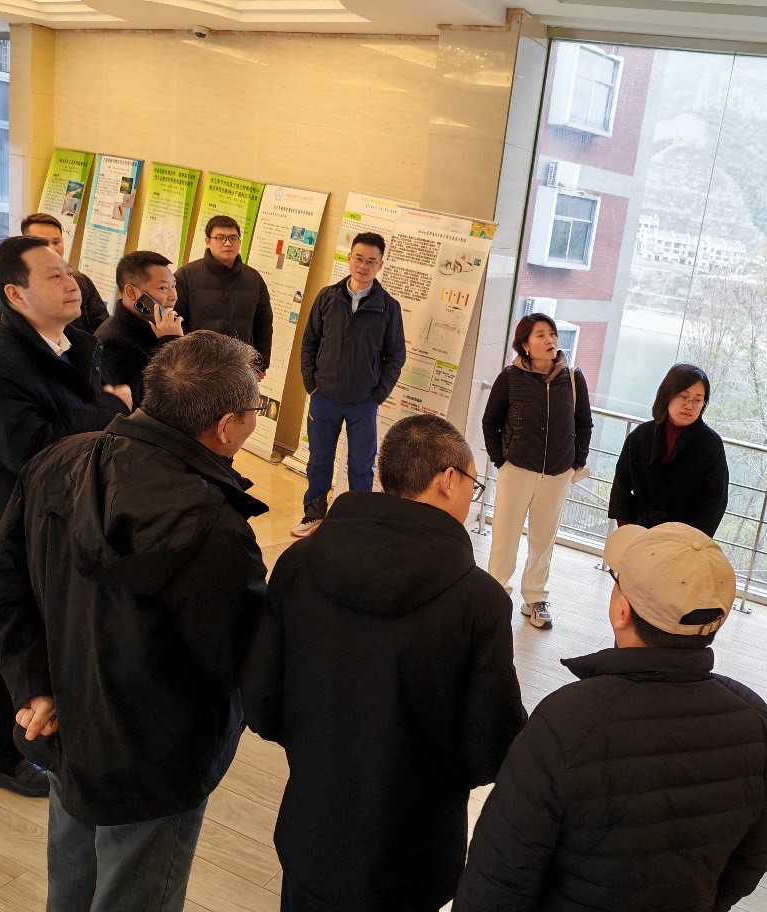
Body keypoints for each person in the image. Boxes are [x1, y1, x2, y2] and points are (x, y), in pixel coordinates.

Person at [0, 331, 270, 911]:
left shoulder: (58, 461)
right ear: (225, 426)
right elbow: (239, 655)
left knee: (71, 886)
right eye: (254, 408)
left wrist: (33, 684)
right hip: (156, 763)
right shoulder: (213, 526)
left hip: (65, 726)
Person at [243, 414, 526, 912]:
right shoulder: (479, 601)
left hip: (313, 832)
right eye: (473, 483)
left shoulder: (300, 562)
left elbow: (262, 699)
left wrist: (320, 747)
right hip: (415, 851)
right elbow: (491, 745)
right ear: (447, 480)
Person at [455, 522, 767, 912]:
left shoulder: (565, 723)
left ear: (621, 610)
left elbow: (497, 882)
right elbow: (751, 862)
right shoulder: (758, 725)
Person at [0, 235, 130, 798]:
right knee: (5, 640)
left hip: (71, 517)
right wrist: (109, 409)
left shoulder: (76, 342)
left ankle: (54, 734)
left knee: (60, 628)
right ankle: (1, 757)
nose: (70, 282)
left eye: (69, 271)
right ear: (16, 294)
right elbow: (33, 451)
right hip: (12, 526)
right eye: (54, 275)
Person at [482, 312, 592, 629]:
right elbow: (490, 422)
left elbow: (583, 424)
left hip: (557, 474)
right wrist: (501, 460)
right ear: (525, 344)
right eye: (541, 335)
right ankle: (496, 597)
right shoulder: (510, 378)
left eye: (552, 334)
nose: (549, 340)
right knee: (505, 537)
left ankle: (535, 599)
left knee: (543, 541)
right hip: (516, 470)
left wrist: (575, 463)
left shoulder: (573, 378)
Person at [292, 231, 406, 537]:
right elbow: (309, 342)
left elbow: (396, 356)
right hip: (324, 396)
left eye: (371, 261)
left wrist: (377, 395)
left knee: (361, 465)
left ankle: (358, 523)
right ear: (349, 257)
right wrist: (311, 384)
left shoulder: (388, 307)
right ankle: (314, 515)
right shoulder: (327, 297)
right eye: (359, 258)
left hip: (363, 403)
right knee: (319, 460)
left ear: (380, 265)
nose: (363, 266)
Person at [608, 363, 729, 536]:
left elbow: (715, 501)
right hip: (637, 531)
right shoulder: (641, 435)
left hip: (684, 538)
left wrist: (691, 540)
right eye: (683, 396)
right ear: (667, 395)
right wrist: (627, 528)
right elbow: (621, 484)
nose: (689, 406)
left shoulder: (711, 444)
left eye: (697, 400)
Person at [174, 215, 273, 374]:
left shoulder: (253, 278)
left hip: (241, 368)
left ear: (239, 241)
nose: (228, 243)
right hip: (198, 368)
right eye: (220, 238)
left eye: (233, 238)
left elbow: (264, 324)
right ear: (207, 241)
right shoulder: (186, 276)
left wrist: (260, 365)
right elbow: (176, 321)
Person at [95, 250, 184, 406]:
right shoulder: (110, 343)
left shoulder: (159, 327)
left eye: (173, 286)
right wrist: (172, 343)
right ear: (131, 292)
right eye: (163, 288)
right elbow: (150, 401)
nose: (173, 296)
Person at [20, 212, 110, 334]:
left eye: (56, 242)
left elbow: (101, 325)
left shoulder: (80, 281)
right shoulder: (19, 288)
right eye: (42, 243)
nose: (51, 249)